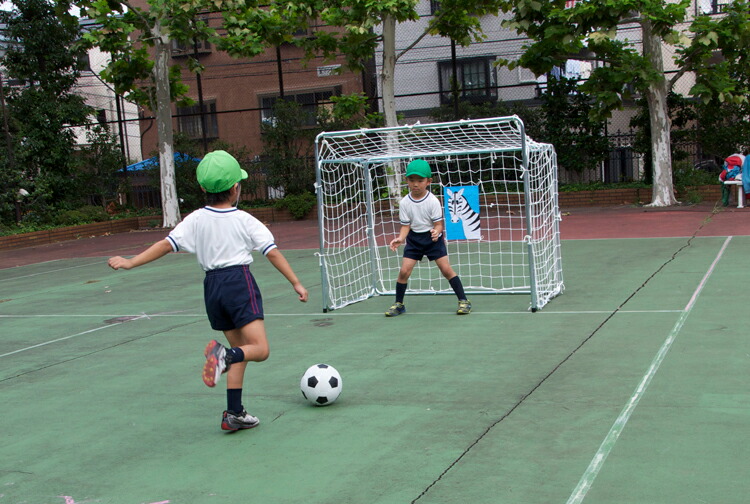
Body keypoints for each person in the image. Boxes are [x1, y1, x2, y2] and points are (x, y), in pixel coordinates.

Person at [108, 150, 308, 432]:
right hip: (238, 283)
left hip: (212, 288)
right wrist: (295, 282)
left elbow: (166, 244)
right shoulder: (245, 220)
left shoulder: (195, 219)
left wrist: (131, 262)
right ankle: (222, 357)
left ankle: (234, 413)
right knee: (259, 350)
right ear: (236, 188)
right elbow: (271, 253)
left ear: (202, 188)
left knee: (241, 349)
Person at [385, 159, 471, 317]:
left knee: (446, 270)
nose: (415, 184)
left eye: (420, 180)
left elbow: (439, 224)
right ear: (407, 181)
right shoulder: (404, 203)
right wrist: (400, 238)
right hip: (414, 240)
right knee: (404, 271)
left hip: (432, 240)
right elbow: (406, 226)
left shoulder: (433, 201)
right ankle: (399, 304)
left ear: (428, 181)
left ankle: (464, 301)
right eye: (412, 180)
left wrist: (436, 232)